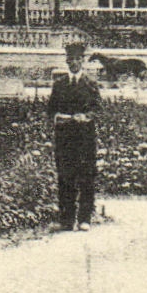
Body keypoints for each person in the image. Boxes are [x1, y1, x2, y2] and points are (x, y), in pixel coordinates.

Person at [46, 41, 101, 231]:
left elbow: (97, 109)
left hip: (85, 137)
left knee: (86, 176)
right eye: (71, 59)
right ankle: (67, 219)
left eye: (78, 59)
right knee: (65, 176)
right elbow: (50, 109)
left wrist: (86, 117)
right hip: (65, 137)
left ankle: (84, 218)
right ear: (67, 61)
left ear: (83, 61)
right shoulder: (60, 84)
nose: (74, 63)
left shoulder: (90, 84)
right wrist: (57, 117)